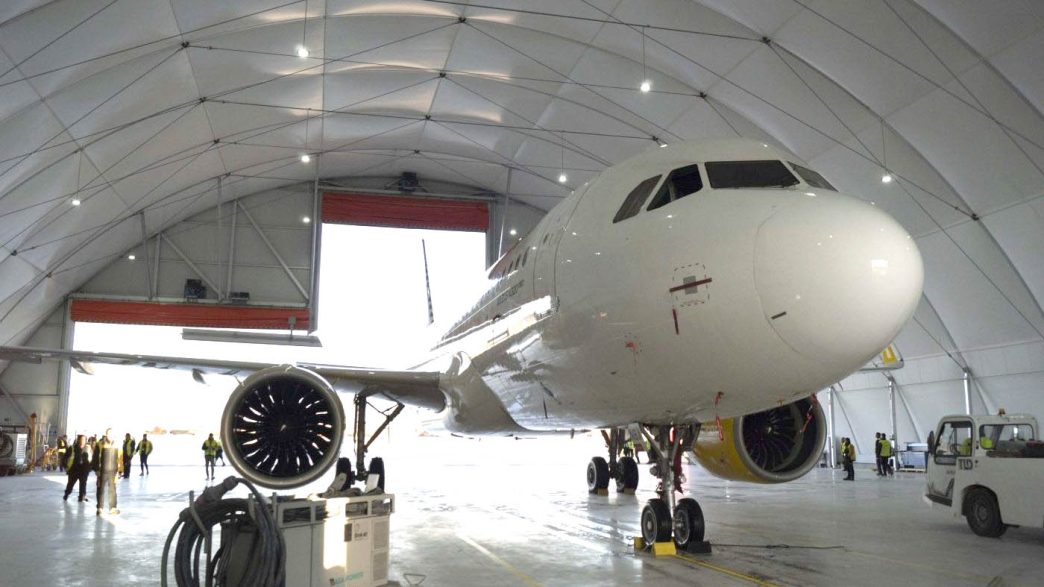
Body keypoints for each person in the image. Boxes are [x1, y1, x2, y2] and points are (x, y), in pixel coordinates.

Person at [92, 429, 122, 516]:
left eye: (112, 434)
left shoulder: (117, 445)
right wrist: (96, 469)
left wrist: (119, 472)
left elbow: (120, 459)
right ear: (106, 434)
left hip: (113, 471)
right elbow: (95, 458)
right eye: (109, 434)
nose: (110, 435)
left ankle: (113, 508)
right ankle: (100, 508)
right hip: (102, 471)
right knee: (100, 489)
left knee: (112, 490)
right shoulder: (100, 444)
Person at [62, 435, 91, 502]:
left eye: (84, 439)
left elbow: (91, 458)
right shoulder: (72, 448)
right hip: (74, 469)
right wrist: (65, 466)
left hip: (84, 469)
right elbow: (64, 458)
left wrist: (90, 468)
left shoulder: (87, 448)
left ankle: (82, 497)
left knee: (83, 483)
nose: (83, 441)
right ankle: (66, 494)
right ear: (78, 440)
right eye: (82, 439)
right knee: (71, 483)